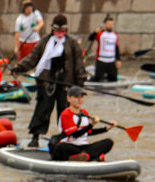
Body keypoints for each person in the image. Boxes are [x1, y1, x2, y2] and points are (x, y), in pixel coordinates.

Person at [13, 13, 86, 148]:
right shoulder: (44, 42)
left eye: (62, 31)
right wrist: (19, 67)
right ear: (52, 29)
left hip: (66, 84)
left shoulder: (72, 44)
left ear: (66, 30)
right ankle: (35, 137)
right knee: (42, 109)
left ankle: (66, 137)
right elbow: (33, 57)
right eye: (57, 30)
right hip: (46, 82)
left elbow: (79, 65)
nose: (59, 33)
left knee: (64, 111)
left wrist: (80, 84)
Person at [50, 86, 116, 161]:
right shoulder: (65, 114)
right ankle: (90, 156)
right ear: (68, 98)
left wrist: (106, 128)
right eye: (76, 97)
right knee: (60, 147)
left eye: (81, 97)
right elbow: (75, 134)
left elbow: (87, 132)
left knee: (108, 142)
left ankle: (84, 156)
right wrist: (91, 125)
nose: (79, 100)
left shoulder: (84, 113)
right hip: (70, 146)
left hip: (83, 147)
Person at [91, 16, 119, 83]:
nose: (110, 26)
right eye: (109, 24)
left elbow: (116, 47)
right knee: (97, 78)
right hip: (101, 60)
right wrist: (95, 32)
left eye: (112, 24)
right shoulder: (100, 34)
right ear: (105, 25)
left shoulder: (115, 35)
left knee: (113, 78)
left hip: (111, 60)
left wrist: (118, 59)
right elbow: (91, 38)